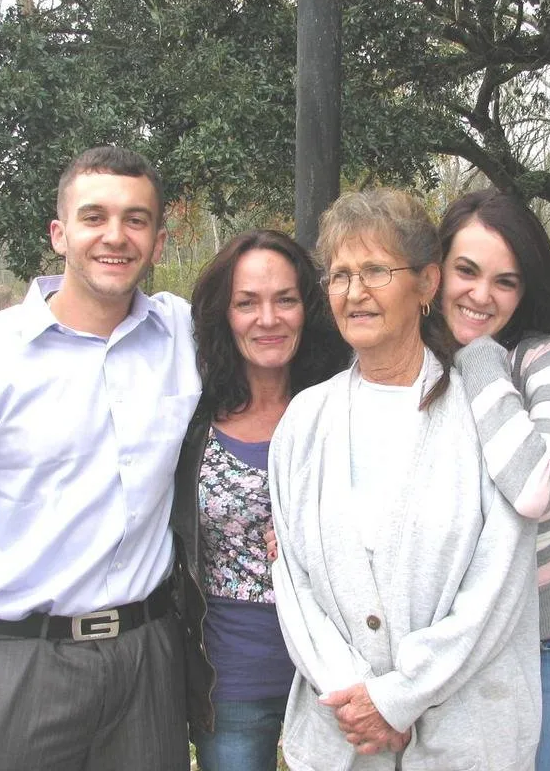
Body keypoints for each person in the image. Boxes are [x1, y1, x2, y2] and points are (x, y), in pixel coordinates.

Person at [0, 146, 199, 771]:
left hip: (148, 661)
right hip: (22, 665)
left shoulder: (186, 338)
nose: (115, 236)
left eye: (136, 219)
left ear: (159, 240)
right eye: (95, 217)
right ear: (60, 233)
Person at [269, 188, 541, 770]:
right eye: (340, 275)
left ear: (426, 284)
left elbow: (498, 587)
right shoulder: (304, 420)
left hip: (461, 739)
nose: (354, 292)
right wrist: (358, 702)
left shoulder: (483, 415)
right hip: (343, 737)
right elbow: (291, 581)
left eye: (375, 271)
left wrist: (398, 699)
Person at [170, 230, 349, 771]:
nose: (267, 319)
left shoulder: (344, 408)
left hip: (339, 674)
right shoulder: (192, 418)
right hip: (233, 681)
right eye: (247, 302)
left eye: (285, 299)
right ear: (225, 314)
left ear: (308, 307)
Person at [439, 188, 550, 771]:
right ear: (435, 271)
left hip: (542, 634)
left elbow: (536, 490)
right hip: (442, 640)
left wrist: (478, 355)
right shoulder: (404, 364)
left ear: (525, 291)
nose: (481, 295)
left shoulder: (545, 359)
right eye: (466, 272)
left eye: (505, 281)